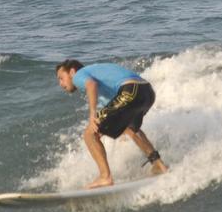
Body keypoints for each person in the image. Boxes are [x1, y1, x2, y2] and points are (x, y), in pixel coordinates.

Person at [56, 59, 168, 188]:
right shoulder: (101, 78)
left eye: (61, 78)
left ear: (71, 71)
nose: (60, 83)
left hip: (130, 90)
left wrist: (92, 115)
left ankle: (105, 177)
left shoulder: (79, 74)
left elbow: (91, 85)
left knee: (89, 134)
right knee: (130, 129)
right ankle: (159, 164)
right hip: (147, 92)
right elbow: (112, 110)